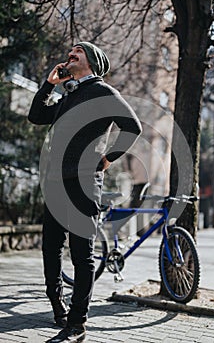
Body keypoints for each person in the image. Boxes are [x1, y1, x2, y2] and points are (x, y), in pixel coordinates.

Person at [28, 41, 142, 343]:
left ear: (90, 61)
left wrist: (107, 159)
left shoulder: (103, 93)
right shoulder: (69, 94)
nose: (69, 55)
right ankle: (58, 307)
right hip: (54, 182)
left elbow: (132, 126)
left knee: (81, 254)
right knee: (50, 248)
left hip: (82, 183)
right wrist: (49, 85)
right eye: (70, 52)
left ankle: (77, 323)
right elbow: (36, 116)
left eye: (76, 53)